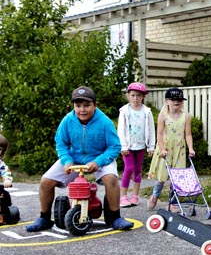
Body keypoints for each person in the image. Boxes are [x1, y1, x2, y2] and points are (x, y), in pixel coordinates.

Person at [26, 86, 134, 232]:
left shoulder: (104, 121)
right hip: (74, 158)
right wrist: (66, 161)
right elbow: (61, 143)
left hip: (99, 157)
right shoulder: (68, 120)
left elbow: (114, 146)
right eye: (78, 106)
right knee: (45, 182)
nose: (82, 110)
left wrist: (98, 162)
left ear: (95, 105)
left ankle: (115, 217)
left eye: (87, 105)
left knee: (111, 179)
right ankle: (44, 218)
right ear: (74, 106)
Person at [147, 87, 195, 211]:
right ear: (167, 101)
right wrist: (162, 149)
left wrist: (190, 148)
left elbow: (188, 134)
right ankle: (155, 195)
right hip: (165, 150)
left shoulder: (186, 116)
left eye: (179, 100)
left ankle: (173, 202)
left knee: (177, 177)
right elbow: (159, 135)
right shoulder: (163, 116)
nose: (176, 102)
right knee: (161, 177)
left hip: (179, 150)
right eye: (173, 100)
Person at [117, 82, 155, 208]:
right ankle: (123, 196)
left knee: (138, 170)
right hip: (128, 147)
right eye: (133, 95)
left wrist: (151, 146)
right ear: (128, 96)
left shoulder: (147, 112)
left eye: (139, 96)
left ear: (143, 97)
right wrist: (123, 146)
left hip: (140, 146)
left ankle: (135, 195)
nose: (136, 98)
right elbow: (121, 129)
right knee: (129, 168)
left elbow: (151, 130)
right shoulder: (124, 111)